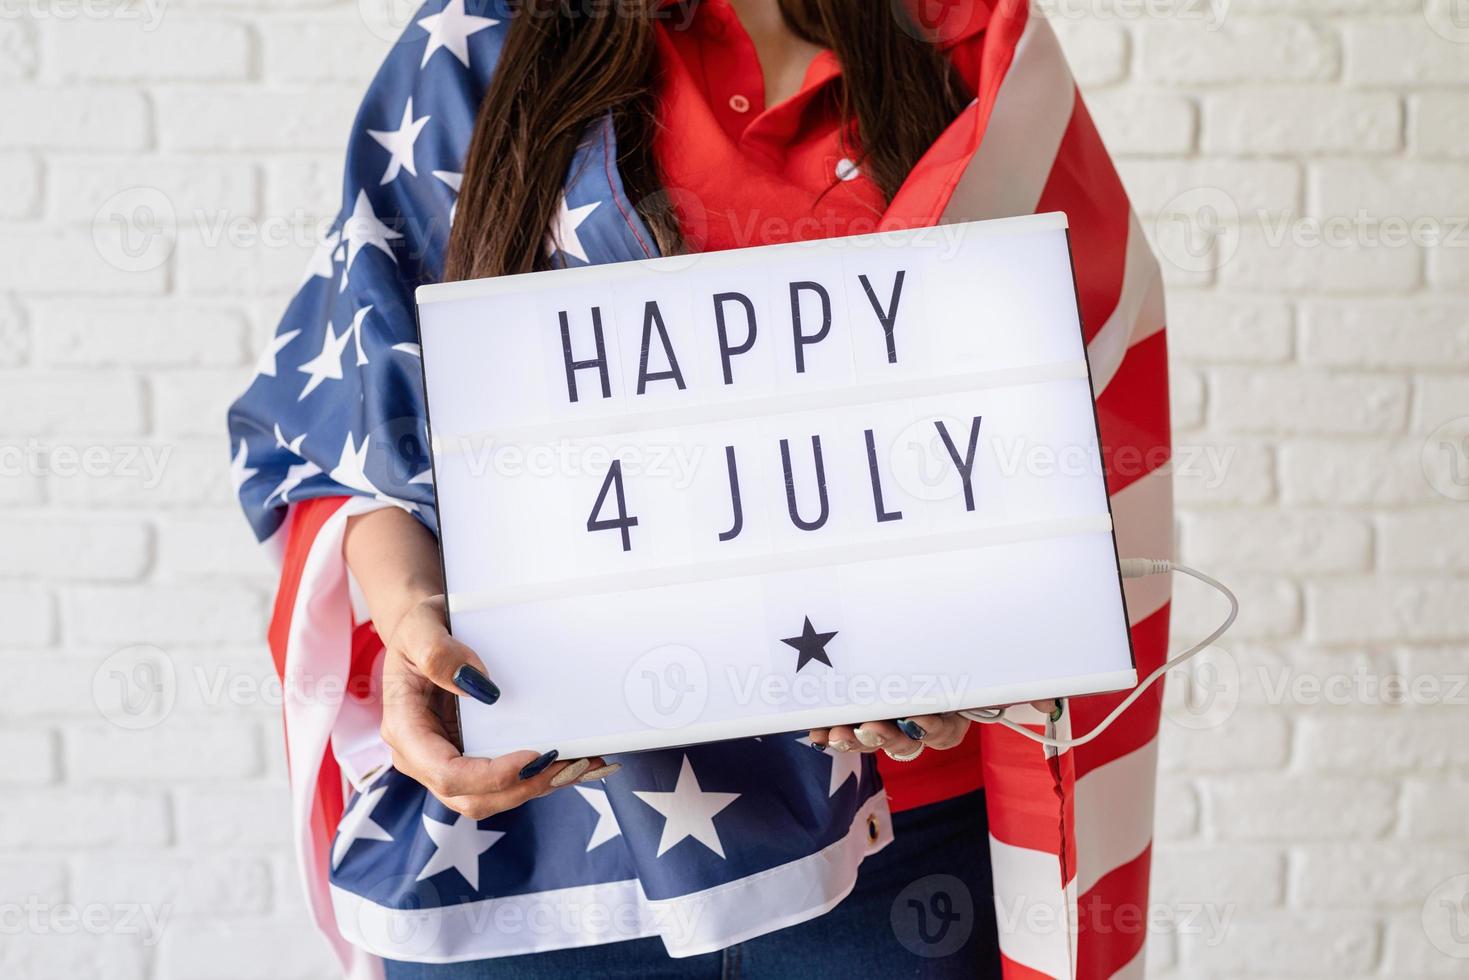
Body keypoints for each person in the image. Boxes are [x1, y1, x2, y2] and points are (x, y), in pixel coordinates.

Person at [227, 1, 1173, 977]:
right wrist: (411, 615)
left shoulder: (969, 44)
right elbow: (352, 404)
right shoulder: (478, 39)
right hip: (541, 845)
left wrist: (972, 650)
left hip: (896, 838)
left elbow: (1061, 408)